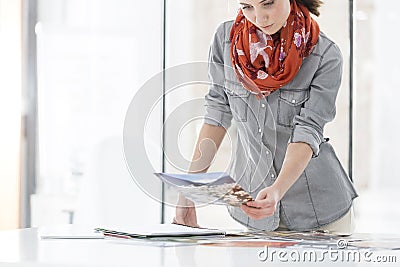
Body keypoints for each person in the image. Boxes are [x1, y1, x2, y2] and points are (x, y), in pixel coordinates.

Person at [173, 0, 358, 233]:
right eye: (247, 6)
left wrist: (278, 189)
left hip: (318, 211)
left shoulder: (325, 55)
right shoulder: (226, 40)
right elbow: (217, 113)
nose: (259, 18)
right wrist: (189, 191)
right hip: (253, 207)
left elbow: (308, 130)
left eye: (268, 4)